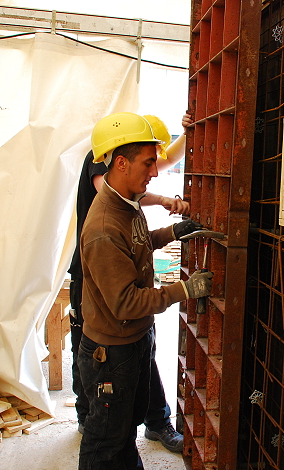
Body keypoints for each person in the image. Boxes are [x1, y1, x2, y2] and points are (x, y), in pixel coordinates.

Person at [77, 111, 213, 469]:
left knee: (124, 431)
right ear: (121, 163)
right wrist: (184, 290)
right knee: (105, 441)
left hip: (133, 340)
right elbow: (125, 303)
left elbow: (136, 244)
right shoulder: (103, 227)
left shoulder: (127, 203)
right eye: (148, 163)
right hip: (111, 353)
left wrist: (172, 232)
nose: (155, 172)